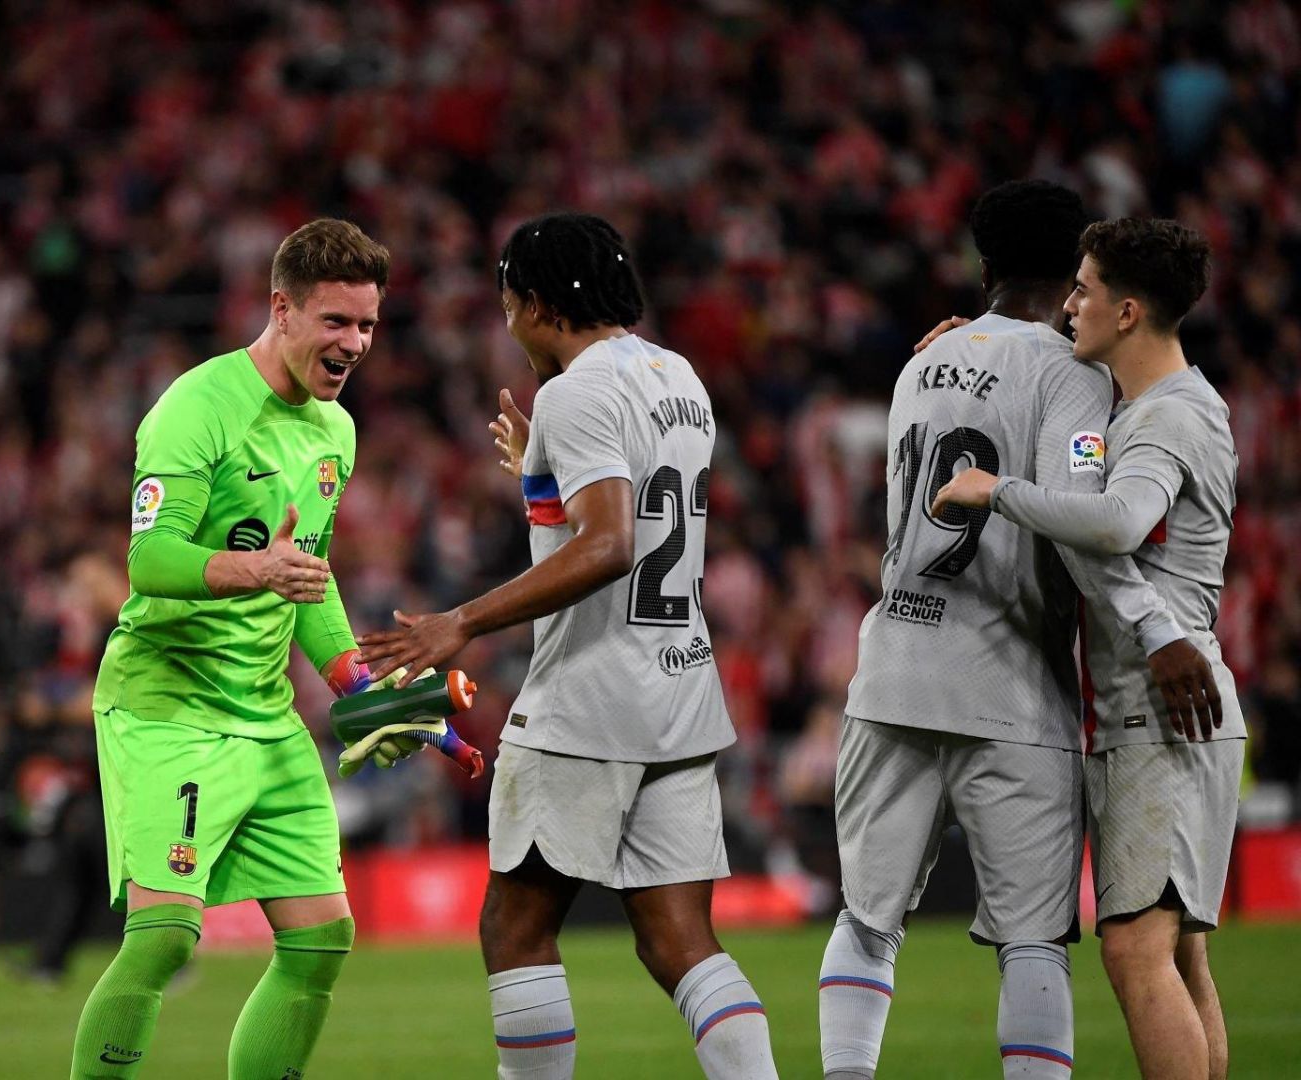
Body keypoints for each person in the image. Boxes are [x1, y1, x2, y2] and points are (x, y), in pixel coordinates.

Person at [360, 212, 778, 1079]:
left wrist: (462, 621)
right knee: (680, 944)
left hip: (589, 698)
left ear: (543, 306)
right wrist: (540, 474)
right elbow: (633, 511)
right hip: (680, 694)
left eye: (511, 306)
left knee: (515, 929)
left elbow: (610, 542)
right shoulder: (679, 376)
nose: (509, 326)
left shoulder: (575, 391)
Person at [816, 181, 1213, 1080]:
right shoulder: (1071, 372)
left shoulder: (923, 361)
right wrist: (1157, 630)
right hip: (1011, 681)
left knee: (867, 922)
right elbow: (1081, 527)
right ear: (1075, 268)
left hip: (894, 672)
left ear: (982, 265)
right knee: (1032, 943)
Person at [71, 218, 394, 1080]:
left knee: (323, 938)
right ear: (281, 309)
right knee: (166, 938)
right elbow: (149, 561)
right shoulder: (195, 407)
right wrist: (255, 567)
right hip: (167, 703)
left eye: (366, 324)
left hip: (265, 716)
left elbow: (309, 579)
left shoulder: (336, 432)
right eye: (336, 322)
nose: (354, 344)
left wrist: (352, 683)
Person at [932, 218, 1239, 1080]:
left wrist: (999, 490)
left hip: (1157, 701)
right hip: (1176, 700)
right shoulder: (1172, 403)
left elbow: (1117, 521)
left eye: (1085, 290)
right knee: (1179, 958)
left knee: (1137, 952)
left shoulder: (1163, 420)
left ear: (1129, 311)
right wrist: (979, 344)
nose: (1070, 305)